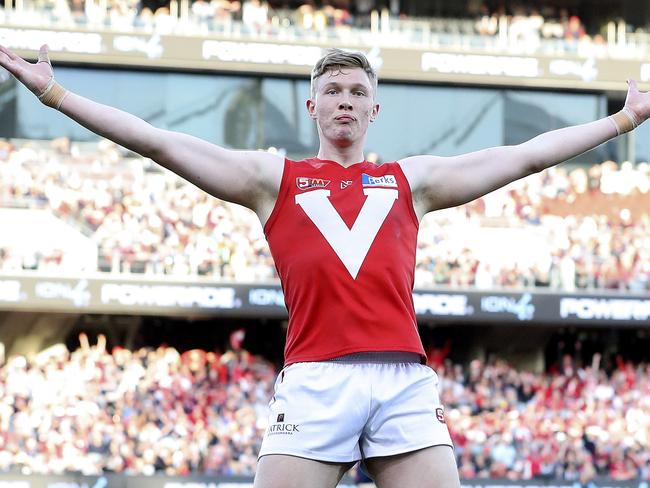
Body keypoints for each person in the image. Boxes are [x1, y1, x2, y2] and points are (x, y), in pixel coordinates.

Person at [1, 45, 648, 488]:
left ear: (375, 110)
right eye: (331, 90)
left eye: (358, 92)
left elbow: (527, 155)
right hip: (314, 383)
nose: (344, 100)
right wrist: (54, 94)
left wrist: (623, 120)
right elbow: (158, 140)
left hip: (403, 382)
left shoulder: (410, 180)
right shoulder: (270, 178)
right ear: (311, 108)